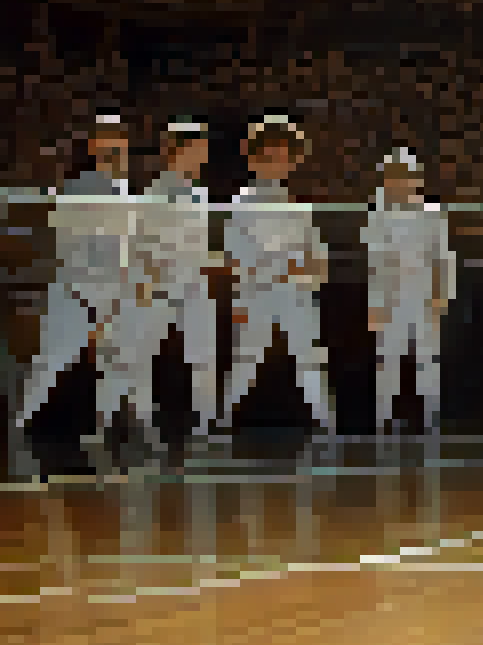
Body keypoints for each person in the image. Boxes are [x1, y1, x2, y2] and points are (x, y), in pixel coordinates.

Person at [12, 114, 144, 438]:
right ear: (95, 147)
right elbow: (68, 245)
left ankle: (106, 429)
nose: (115, 151)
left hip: (112, 289)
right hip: (75, 288)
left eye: (120, 144)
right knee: (52, 360)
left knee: (120, 360)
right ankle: (19, 425)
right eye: (107, 143)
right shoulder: (73, 190)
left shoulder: (126, 192)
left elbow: (127, 244)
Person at [222, 115, 336, 434]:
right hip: (257, 294)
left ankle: (327, 425)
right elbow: (244, 256)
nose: (278, 164)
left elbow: (317, 258)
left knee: (310, 358)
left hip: (295, 295)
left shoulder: (297, 208)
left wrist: (307, 268)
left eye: (284, 157)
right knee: (247, 359)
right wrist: (287, 266)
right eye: (270, 156)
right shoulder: (242, 203)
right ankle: (221, 424)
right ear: (255, 158)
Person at [115, 117, 220, 438]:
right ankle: (141, 423)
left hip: (193, 282)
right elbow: (137, 243)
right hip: (158, 281)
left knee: (203, 354)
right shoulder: (152, 195)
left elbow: (198, 242)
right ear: (180, 151)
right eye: (198, 148)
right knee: (143, 352)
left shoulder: (200, 194)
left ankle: (205, 423)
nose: (204, 155)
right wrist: (146, 280)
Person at [363, 148, 456, 435]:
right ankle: (384, 417)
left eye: (404, 176)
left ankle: (430, 417)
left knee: (427, 357)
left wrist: (442, 295)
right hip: (391, 295)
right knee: (388, 356)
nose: (399, 182)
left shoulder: (432, 213)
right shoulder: (378, 215)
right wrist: (376, 304)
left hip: (424, 293)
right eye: (393, 177)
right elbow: (375, 262)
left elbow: (443, 256)